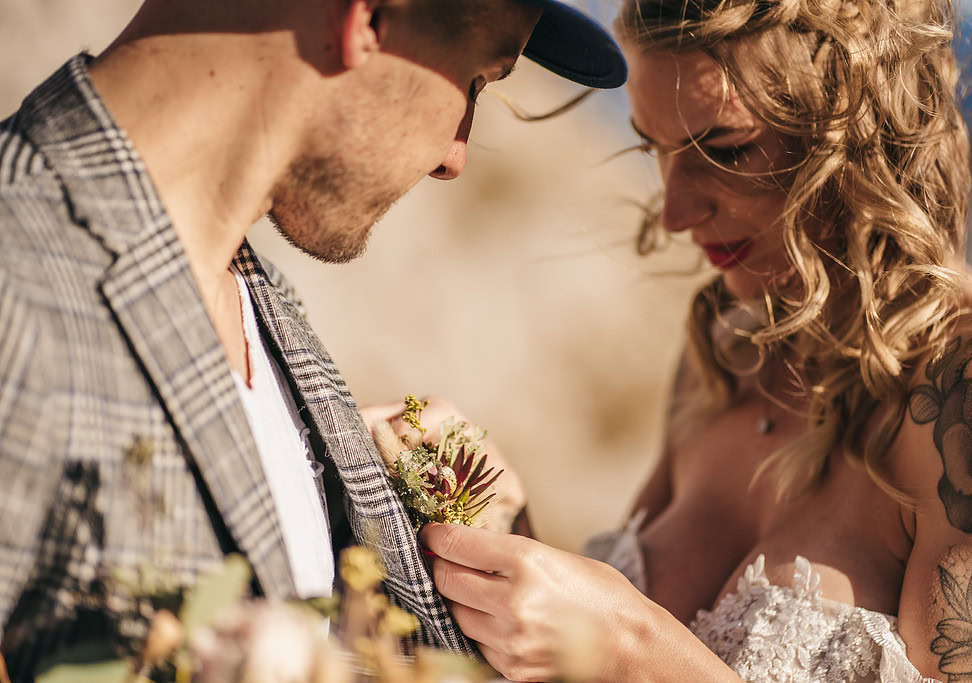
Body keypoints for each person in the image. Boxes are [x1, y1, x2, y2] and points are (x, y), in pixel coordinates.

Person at [0, 0, 627, 678]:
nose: (455, 157)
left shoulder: (258, 297)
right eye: (474, 81)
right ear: (368, 19)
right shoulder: (18, 281)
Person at [410, 0, 972, 680]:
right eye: (656, 150)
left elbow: (638, 642)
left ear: (857, 121)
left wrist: (630, 645)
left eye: (724, 150)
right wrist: (502, 533)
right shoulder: (729, 343)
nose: (673, 212)